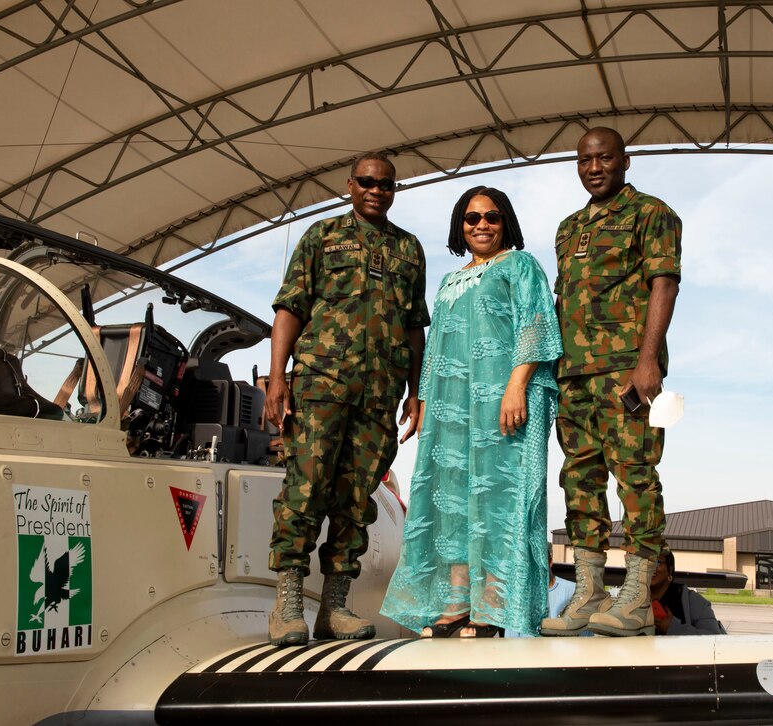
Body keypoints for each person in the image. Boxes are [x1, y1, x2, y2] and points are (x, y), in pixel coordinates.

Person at [381, 186, 562, 639]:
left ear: (507, 223)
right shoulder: (447, 282)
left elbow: (537, 325)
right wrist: (422, 402)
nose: (481, 224)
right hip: (451, 409)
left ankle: (493, 610)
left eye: (492, 217)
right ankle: (456, 603)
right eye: (471, 217)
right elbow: (437, 344)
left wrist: (516, 386)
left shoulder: (520, 266)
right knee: (453, 501)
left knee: (498, 502)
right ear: (459, 225)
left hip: (502, 404)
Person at [264, 152, 430, 647]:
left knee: (358, 501)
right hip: (321, 385)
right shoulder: (323, 236)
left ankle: (334, 607)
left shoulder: (409, 249)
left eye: (386, 185)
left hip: (380, 395)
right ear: (350, 185)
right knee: (305, 490)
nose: (376, 190)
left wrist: (417, 391)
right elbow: (290, 308)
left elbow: (415, 327)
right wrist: (277, 378)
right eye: (367, 182)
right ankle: (288, 605)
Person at [543, 127, 682, 638]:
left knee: (636, 477)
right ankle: (589, 590)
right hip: (574, 375)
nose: (593, 168)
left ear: (625, 162)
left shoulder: (651, 214)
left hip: (626, 370)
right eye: (584, 160)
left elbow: (663, 282)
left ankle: (639, 596)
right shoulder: (568, 227)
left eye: (603, 159)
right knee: (579, 481)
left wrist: (648, 360)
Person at [505, 544, 593, 638]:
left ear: (550, 561)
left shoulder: (575, 592)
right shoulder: (518, 598)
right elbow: (511, 641)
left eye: (539, 562)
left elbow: (586, 637)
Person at [651, 549, 726, 635]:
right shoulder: (635, 598)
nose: (649, 567)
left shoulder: (693, 601)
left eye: (657, 562)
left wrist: (673, 628)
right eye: (645, 562)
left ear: (670, 569)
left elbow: (713, 638)